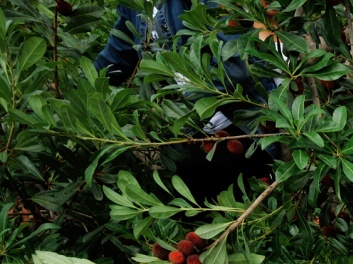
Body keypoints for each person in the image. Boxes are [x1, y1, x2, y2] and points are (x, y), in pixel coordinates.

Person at [94, 1, 277, 200]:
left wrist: (180, 109)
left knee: (248, 207)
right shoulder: (133, 5)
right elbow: (119, 53)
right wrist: (82, 91)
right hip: (190, 130)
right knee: (200, 210)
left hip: (241, 123)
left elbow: (234, 66)